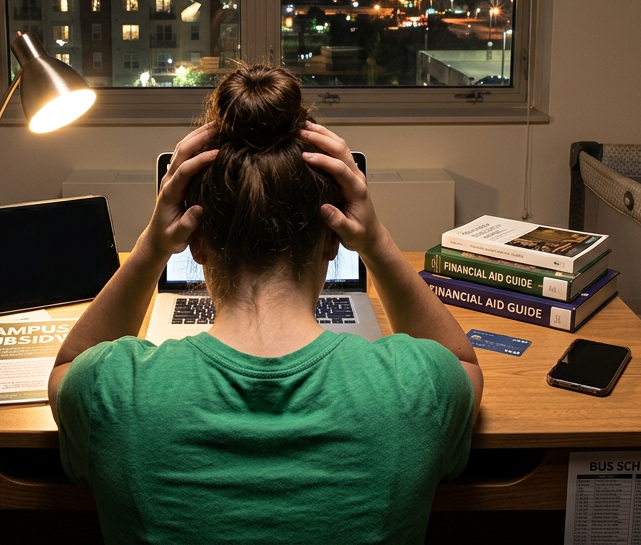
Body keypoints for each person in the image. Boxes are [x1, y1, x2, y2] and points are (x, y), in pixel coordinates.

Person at [48, 65, 484, 544]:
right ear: (333, 241)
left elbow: (68, 365)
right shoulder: (415, 383)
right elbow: (461, 360)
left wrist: (152, 245)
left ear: (195, 244)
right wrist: (376, 241)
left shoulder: (111, 387)